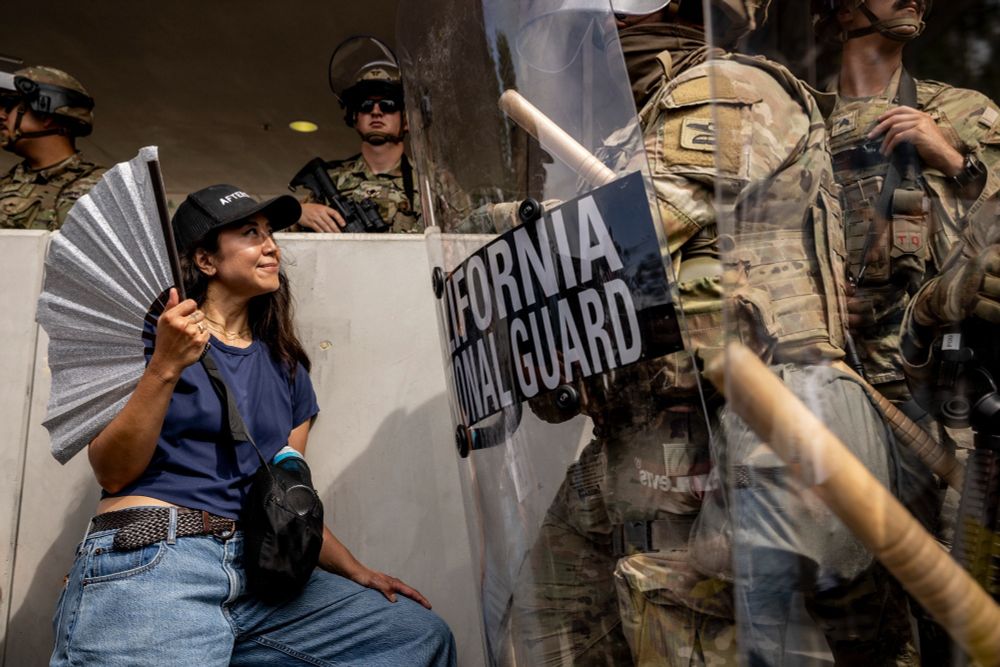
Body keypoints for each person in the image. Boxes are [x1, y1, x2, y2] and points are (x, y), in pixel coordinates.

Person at [507, 1, 919, 665]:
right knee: (540, 630)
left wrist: (499, 223)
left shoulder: (723, 90)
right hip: (641, 437)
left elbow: (627, 231)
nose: (584, 39)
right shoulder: (641, 117)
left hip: (724, 448)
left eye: (593, 22)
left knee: (701, 639)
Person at [49, 184, 456, 666]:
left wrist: (356, 570)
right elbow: (112, 470)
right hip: (158, 556)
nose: (271, 247)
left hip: (258, 570)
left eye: (269, 233)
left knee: (415, 636)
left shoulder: (286, 368)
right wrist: (164, 366)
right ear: (205, 261)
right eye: (250, 233)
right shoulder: (152, 336)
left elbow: (282, 494)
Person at [292, 36, 421, 234]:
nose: (376, 112)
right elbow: (280, 240)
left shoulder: (429, 184)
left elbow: (462, 241)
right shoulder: (331, 179)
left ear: (405, 120)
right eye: (366, 106)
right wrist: (299, 213)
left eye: (388, 106)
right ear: (354, 117)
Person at [0, 65, 106, 229]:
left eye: (9, 106)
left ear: (45, 115)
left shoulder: (105, 188)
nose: (1, 115)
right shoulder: (4, 186)